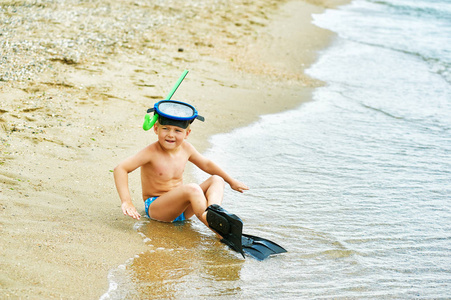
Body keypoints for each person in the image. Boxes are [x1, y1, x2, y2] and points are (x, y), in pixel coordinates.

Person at [113, 101, 248, 232]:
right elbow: (121, 169)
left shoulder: (186, 148)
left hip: (182, 208)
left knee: (217, 179)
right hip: (158, 209)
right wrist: (127, 201)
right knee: (193, 189)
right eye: (165, 128)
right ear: (156, 129)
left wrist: (231, 181)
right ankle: (217, 229)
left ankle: (215, 213)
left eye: (177, 130)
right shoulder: (151, 152)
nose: (171, 134)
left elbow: (206, 164)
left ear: (187, 134)